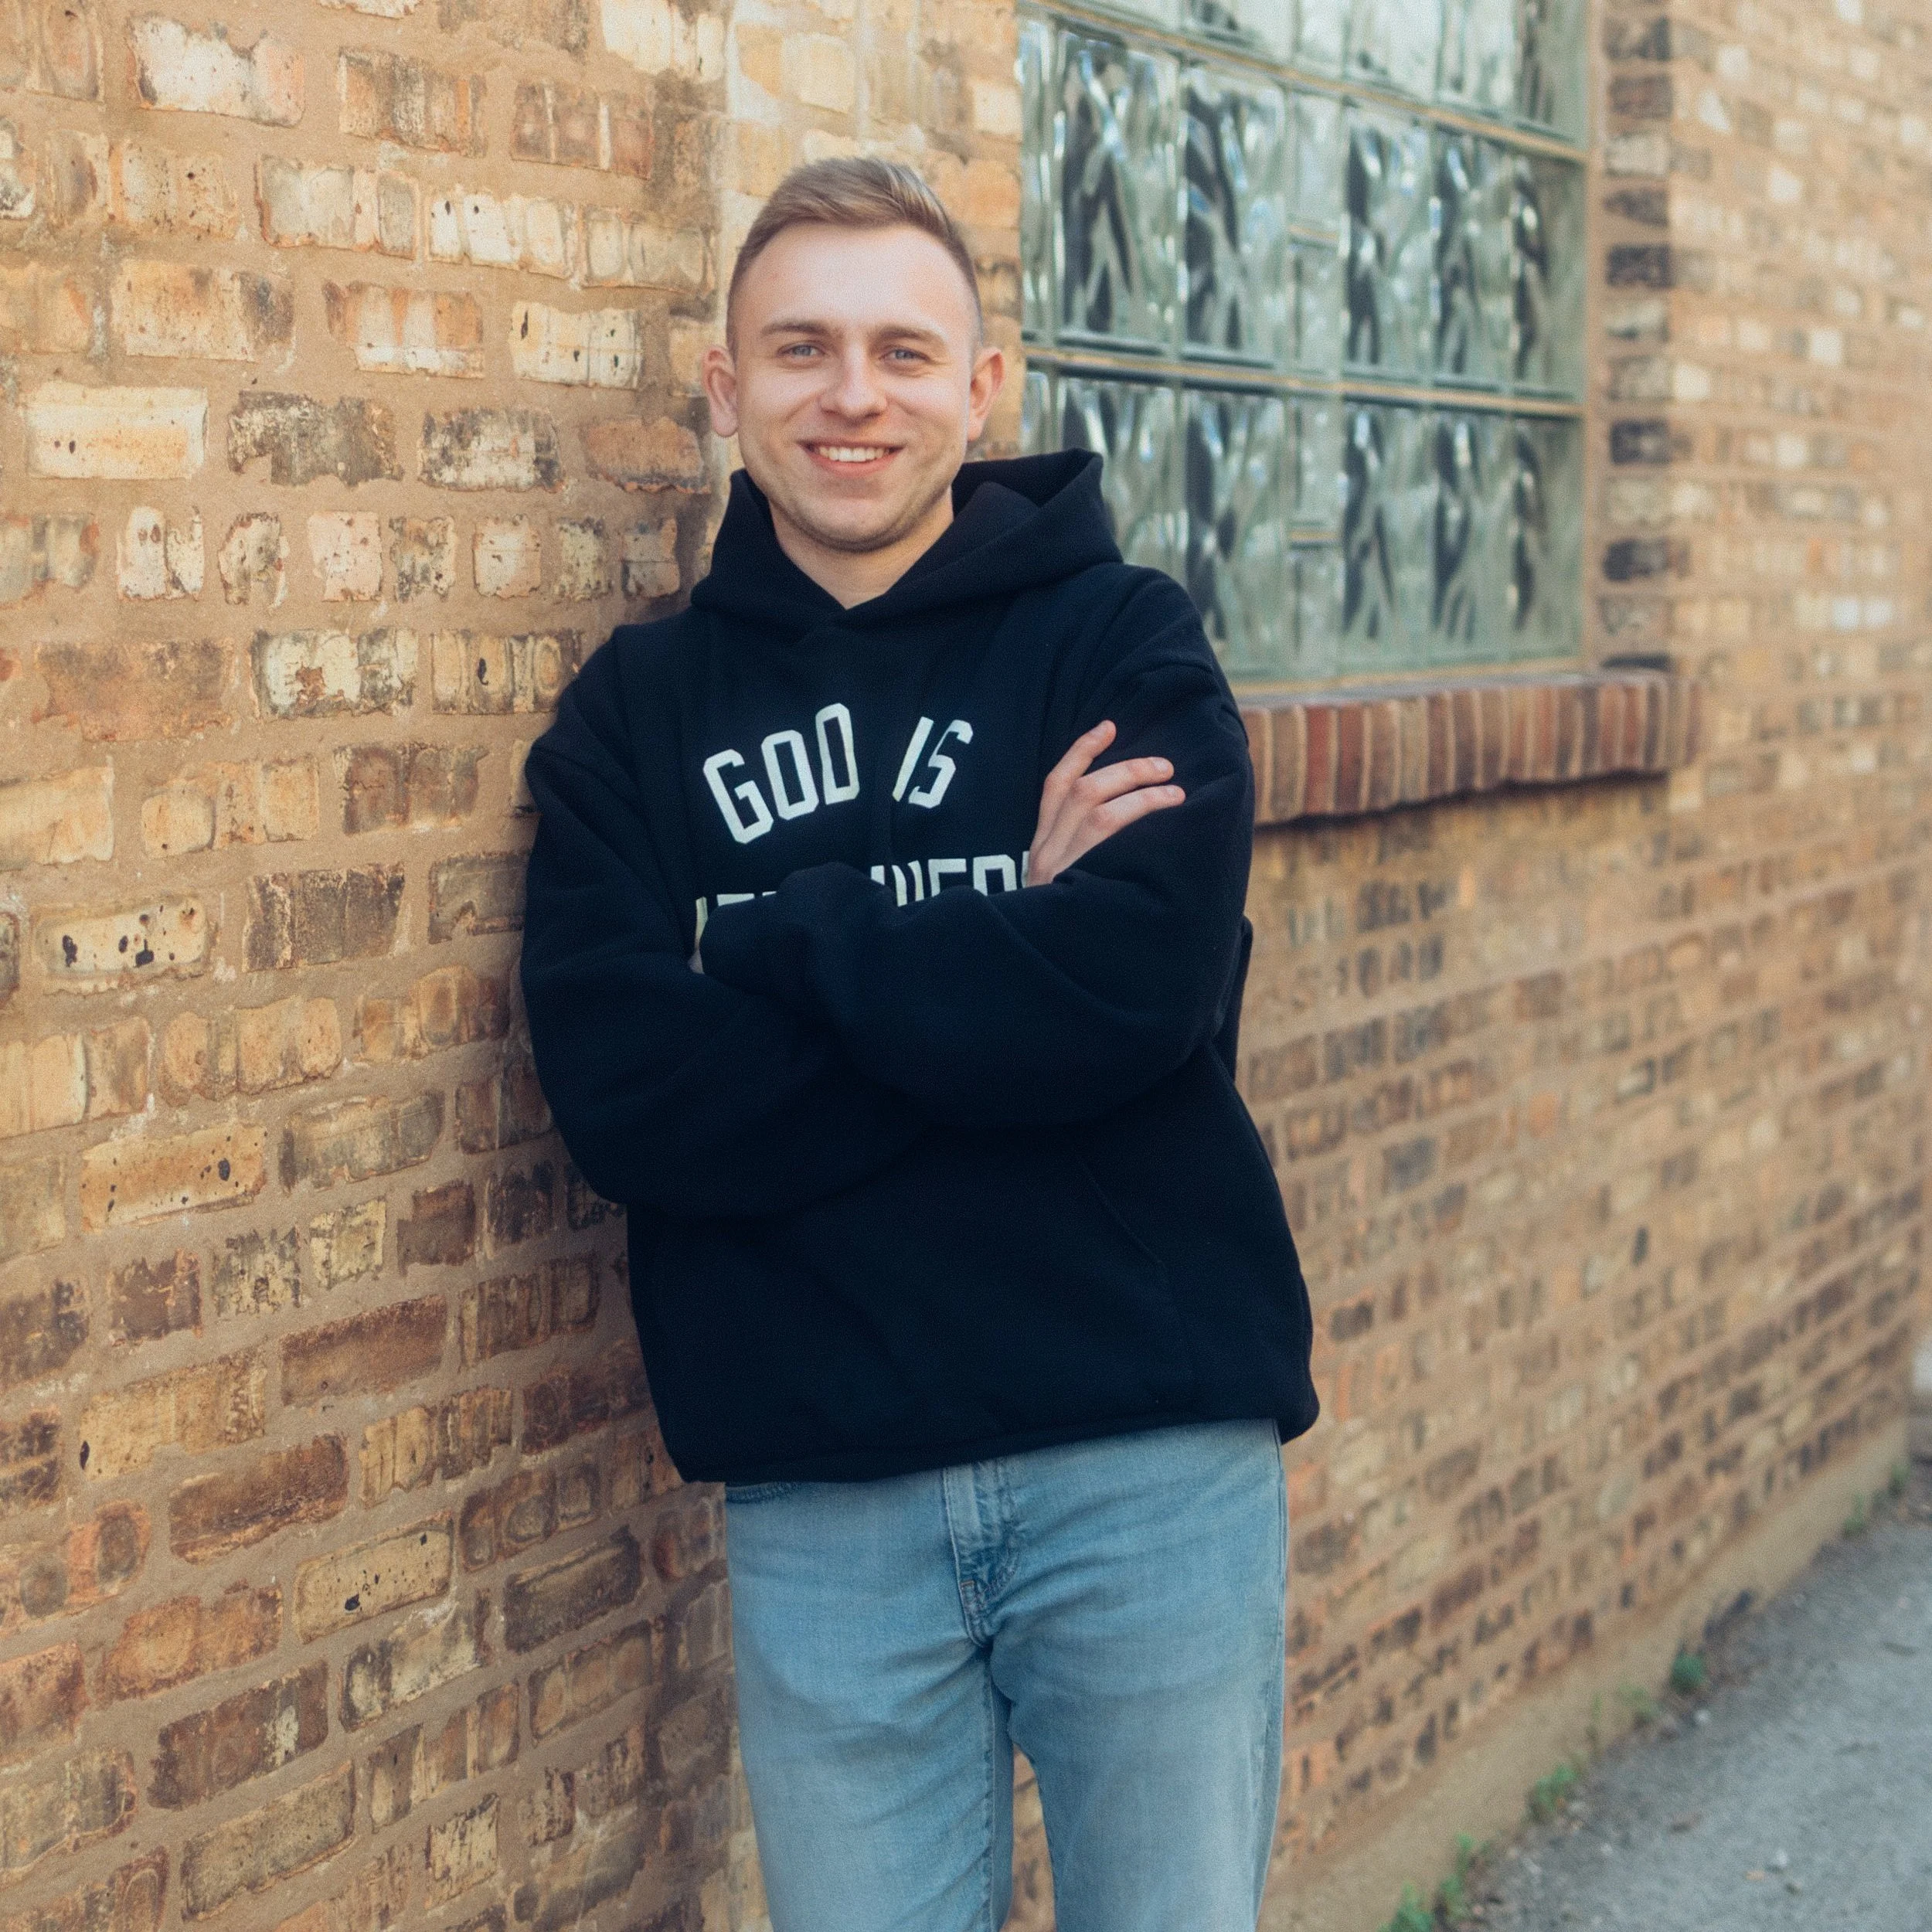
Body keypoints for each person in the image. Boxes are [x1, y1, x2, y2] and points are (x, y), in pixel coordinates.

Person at [518, 157, 1318, 1932]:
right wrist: (988, 947)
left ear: (981, 387)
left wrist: (770, 940)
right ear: (725, 388)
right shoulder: (631, 724)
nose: (852, 393)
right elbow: (635, 1096)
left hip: (1144, 1458)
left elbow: (1131, 991)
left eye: (901, 347)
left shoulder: (1120, 639)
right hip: (822, 1495)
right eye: (800, 348)